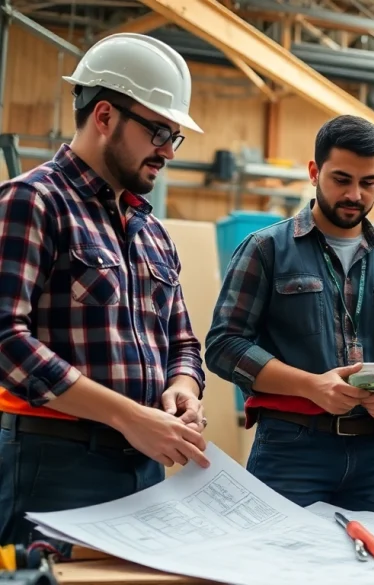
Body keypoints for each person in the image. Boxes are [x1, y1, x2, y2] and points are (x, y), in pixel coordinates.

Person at [0, 33, 210, 548]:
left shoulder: (151, 230)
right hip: (53, 463)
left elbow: (182, 343)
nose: (167, 149)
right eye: (159, 130)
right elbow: (6, 337)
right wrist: (128, 416)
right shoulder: (33, 201)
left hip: (143, 467)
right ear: (105, 116)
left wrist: (183, 390)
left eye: (174, 136)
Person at [205, 115, 374, 514]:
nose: (355, 195)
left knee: (368, 572)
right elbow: (224, 345)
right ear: (314, 172)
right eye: (341, 179)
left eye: (369, 183)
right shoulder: (266, 249)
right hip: (291, 450)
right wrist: (311, 386)